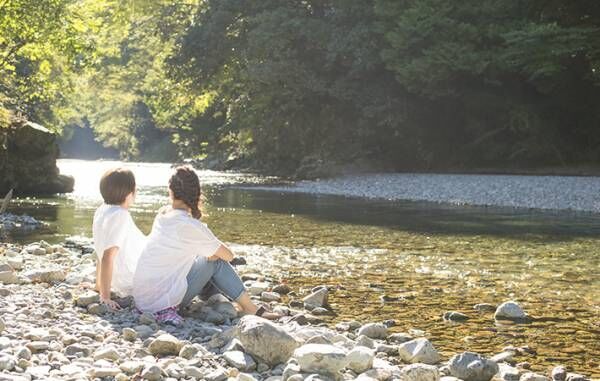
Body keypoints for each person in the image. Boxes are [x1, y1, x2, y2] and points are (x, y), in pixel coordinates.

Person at [133, 165, 278, 325]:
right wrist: (213, 253)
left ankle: (214, 299)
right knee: (215, 261)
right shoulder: (189, 225)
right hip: (159, 303)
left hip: (142, 299)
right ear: (197, 193)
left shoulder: (163, 214)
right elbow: (228, 256)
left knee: (206, 255)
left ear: (171, 191)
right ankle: (250, 308)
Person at [92, 168, 146, 310]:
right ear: (130, 193)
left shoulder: (102, 209)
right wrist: (105, 297)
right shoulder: (120, 215)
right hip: (131, 280)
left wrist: (98, 284)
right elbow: (107, 256)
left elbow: (99, 250)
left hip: (122, 278)